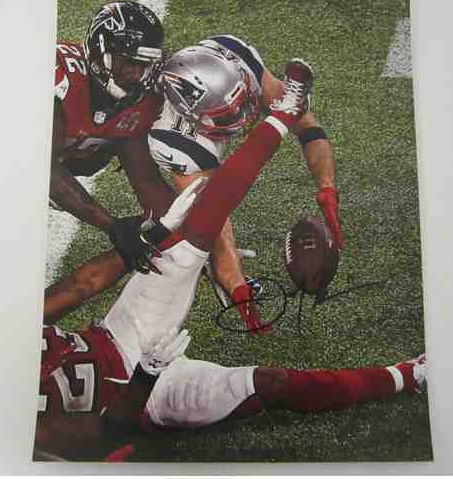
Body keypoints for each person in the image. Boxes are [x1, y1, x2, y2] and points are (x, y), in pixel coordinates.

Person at [36, 58, 426, 460]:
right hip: (144, 396)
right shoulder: (25, 429)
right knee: (270, 385)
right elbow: (106, 435)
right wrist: (147, 374)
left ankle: (284, 112)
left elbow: (81, 285)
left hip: (117, 335)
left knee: (194, 229)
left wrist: (152, 236)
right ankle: (406, 375)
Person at [148, 36, 345, 332]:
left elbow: (305, 124)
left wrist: (327, 188)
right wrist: (237, 287)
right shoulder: (178, 142)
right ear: (193, 116)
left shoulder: (236, 57)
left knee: (294, 111)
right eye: (228, 114)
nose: (243, 115)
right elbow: (214, 224)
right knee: (181, 231)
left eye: (241, 101)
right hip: (150, 139)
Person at [51, 1, 175, 236]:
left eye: (144, 64)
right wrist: (113, 226)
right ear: (100, 54)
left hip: (65, 157)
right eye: (130, 62)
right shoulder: (60, 76)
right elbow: (44, 170)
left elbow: (147, 180)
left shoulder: (139, 99)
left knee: (96, 154)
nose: (137, 73)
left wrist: (183, 236)